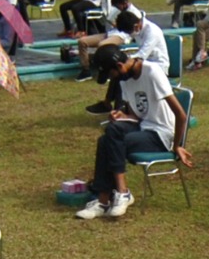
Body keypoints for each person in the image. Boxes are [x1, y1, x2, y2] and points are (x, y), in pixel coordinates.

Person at [75, 47, 192, 221]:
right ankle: (106, 199)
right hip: (142, 127)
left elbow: (181, 115)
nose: (113, 79)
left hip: (160, 134)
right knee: (108, 135)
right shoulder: (124, 79)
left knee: (110, 139)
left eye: (112, 74)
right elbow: (137, 115)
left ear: (120, 65)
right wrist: (123, 116)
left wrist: (177, 145)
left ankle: (115, 195)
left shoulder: (152, 72)